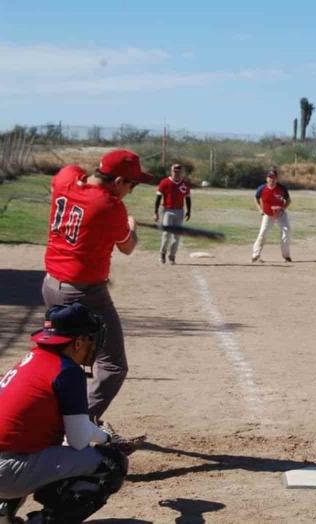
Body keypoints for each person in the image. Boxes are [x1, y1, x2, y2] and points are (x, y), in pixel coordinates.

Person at [41, 149, 152, 423]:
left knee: (60, 358)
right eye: (131, 185)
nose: (131, 191)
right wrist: (130, 225)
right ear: (117, 182)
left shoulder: (67, 178)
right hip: (85, 293)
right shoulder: (110, 207)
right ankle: (76, 425)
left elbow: (73, 173)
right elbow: (128, 246)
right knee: (112, 366)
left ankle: (43, 417)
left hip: (50, 284)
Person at [0, 304, 134, 523]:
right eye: (90, 338)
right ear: (78, 342)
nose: (94, 344)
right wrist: (106, 440)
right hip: (7, 471)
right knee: (112, 464)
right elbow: (78, 440)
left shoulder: (33, 357)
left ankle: (3, 511)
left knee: (43, 445)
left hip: (7, 461)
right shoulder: (67, 371)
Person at [154, 163, 192, 264]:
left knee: (177, 236)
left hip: (179, 211)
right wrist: (156, 212)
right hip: (167, 210)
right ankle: (162, 254)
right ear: (171, 171)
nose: (177, 174)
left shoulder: (184, 184)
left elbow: (187, 198)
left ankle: (172, 256)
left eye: (179, 172)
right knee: (166, 234)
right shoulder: (165, 182)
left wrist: (189, 211)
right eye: (175, 171)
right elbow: (158, 197)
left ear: (181, 172)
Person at [252, 168, 292, 263]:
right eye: (270, 178)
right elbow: (256, 198)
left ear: (277, 179)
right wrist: (260, 209)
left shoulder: (281, 188)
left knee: (286, 231)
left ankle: (286, 256)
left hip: (280, 214)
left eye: (274, 178)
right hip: (267, 214)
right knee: (263, 233)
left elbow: (288, 200)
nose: (272, 180)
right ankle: (255, 255)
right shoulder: (262, 188)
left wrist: (283, 209)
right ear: (267, 179)